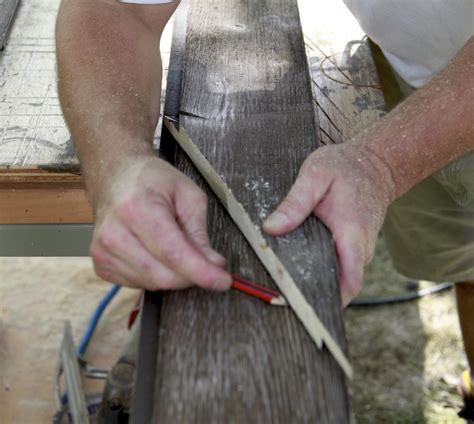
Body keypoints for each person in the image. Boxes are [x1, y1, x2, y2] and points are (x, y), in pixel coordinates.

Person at [55, 0, 473, 416]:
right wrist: (119, 164)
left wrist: (382, 164)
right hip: (418, 67)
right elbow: (114, 8)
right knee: (464, 263)